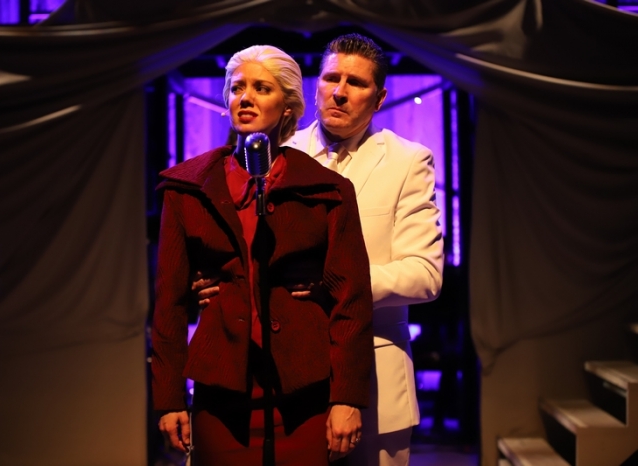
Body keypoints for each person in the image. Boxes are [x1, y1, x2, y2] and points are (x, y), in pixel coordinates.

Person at [195, 34, 444, 465]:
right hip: (283, 377)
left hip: (374, 379)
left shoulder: (407, 160)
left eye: (356, 83)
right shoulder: (276, 152)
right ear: (315, 86)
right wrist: (217, 282)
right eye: (331, 78)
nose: (339, 92)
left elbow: (425, 275)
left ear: (380, 98)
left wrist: (337, 283)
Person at [151, 45, 374, 466]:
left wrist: (347, 397)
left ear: (288, 106)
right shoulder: (187, 189)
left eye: (261, 88)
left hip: (303, 387)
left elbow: (353, 302)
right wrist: (168, 398)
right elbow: (169, 305)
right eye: (237, 88)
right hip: (222, 387)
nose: (246, 98)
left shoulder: (328, 191)